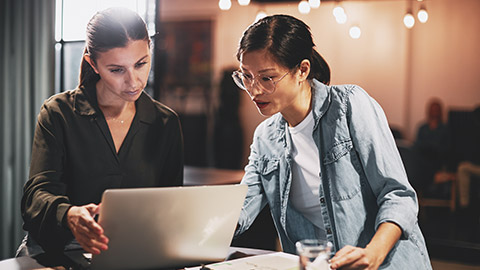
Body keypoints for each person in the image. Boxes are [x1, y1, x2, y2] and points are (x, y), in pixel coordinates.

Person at [232, 15, 431, 270]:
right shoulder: (265, 138)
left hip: (387, 263)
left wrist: (373, 253)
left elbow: (398, 195)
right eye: (246, 77)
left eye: (267, 78)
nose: (254, 90)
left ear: (302, 70)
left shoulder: (349, 106)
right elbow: (241, 205)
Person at [17, 7, 183, 256]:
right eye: (117, 70)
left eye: (141, 64)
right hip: (56, 251)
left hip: (132, 253)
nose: (134, 81)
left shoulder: (165, 123)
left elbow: (171, 208)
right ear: (92, 64)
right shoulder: (59, 113)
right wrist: (69, 214)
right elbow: (36, 196)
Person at [412, 98, 450, 195]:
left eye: (437, 110)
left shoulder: (445, 129)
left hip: (438, 161)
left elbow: (446, 148)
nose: (434, 112)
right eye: (432, 109)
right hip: (422, 160)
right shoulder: (422, 128)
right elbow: (417, 145)